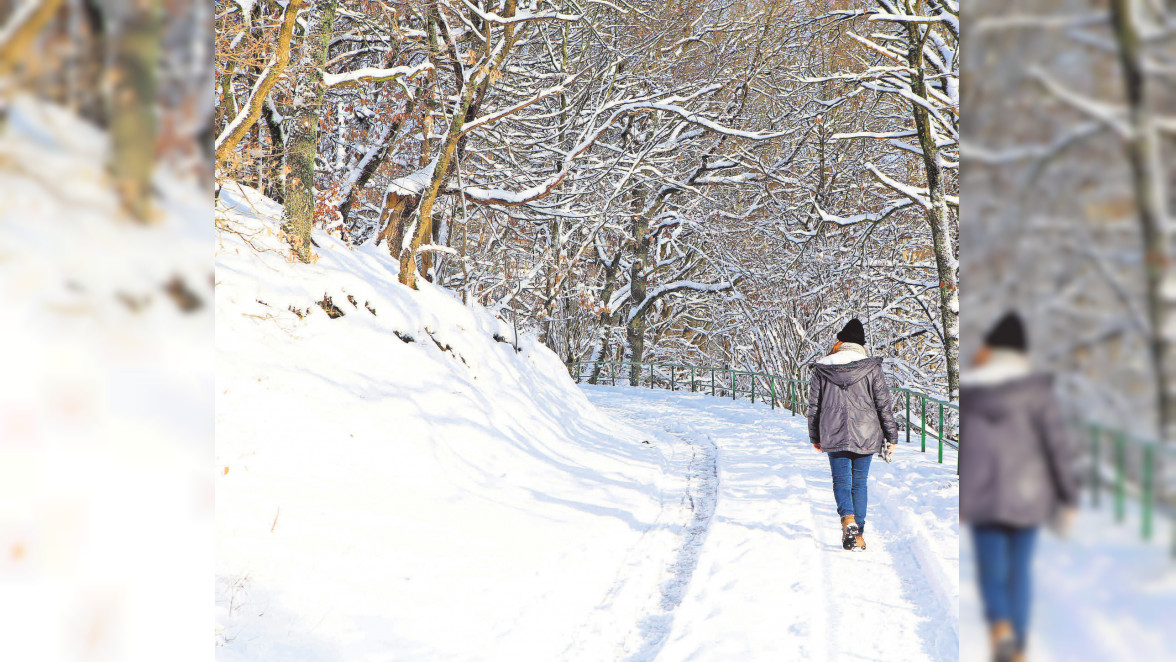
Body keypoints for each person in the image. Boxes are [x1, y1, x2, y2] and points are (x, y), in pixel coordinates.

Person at [960, 312, 1079, 662]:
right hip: (1029, 495)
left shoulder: (972, 389)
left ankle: (1000, 627)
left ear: (991, 348)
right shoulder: (1038, 391)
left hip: (982, 494)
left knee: (990, 570)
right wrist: (1068, 496)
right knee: (1019, 573)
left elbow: (965, 444)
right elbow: (1057, 448)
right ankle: (1019, 648)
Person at [807, 318, 898, 551]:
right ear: (861, 344)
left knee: (841, 480)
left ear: (842, 341)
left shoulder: (823, 366)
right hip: (867, 433)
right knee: (859, 483)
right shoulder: (871, 367)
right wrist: (892, 436)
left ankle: (847, 520)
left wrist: (815, 435)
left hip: (833, 431)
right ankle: (858, 534)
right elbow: (883, 404)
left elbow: (814, 406)